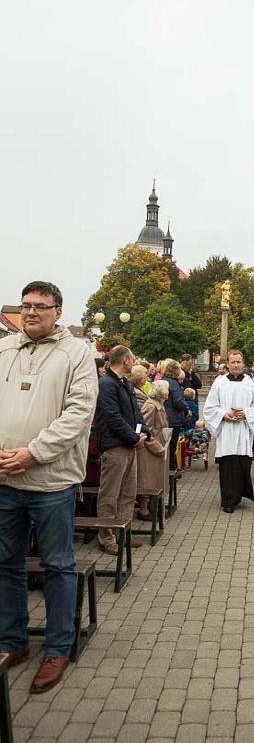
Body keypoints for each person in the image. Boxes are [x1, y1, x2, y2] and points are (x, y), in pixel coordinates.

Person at [0, 281, 98, 693]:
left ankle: (58, 646)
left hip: (51, 480)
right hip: (5, 477)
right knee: (6, 564)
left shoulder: (76, 353)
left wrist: (33, 453)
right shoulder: (5, 349)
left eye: (41, 306)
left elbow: (78, 414)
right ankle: (12, 641)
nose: (31, 312)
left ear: (58, 311)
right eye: (26, 306)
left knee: (58, 564)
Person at [95, 346, 150, 553]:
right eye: (133, 359)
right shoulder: (106, 384)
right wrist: (133, 437)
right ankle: (106, 537)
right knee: (110, 494)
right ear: (126, 360)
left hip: (129, 444)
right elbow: (112, 417)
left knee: (128, 493)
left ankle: (123, 532)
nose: (135, 362)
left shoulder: (124, 383)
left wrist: (143, 432)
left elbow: (135, 412)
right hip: (114, 445)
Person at [204, 350, 254, 513]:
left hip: (243, 431)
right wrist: (223, 415)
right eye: (233, 362)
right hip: (226, 431)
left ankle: (238, 496)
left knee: (241, 465)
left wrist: (246, 413)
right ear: (227, 363)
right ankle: (228, 501)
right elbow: (209, 407)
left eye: (238, 362)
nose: (236, 365)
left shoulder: (250, 383)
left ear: (243, 363)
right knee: (227, 466)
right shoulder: (219, 383)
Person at [137, 380, 169, 520]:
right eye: (167, 389)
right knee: (148, 480)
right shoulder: (151, 406)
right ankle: (144, 510)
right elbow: (146, 429)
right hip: (150, 450)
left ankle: (153, 507)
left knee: (155, 479)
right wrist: (157, 447)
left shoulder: (159, 404)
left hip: (159, 446)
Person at [162, 360, 190, 475]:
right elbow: (178, 401)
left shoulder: (163, 380)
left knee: (166, 446)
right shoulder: (173, 383)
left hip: (163, 417)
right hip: (173, 419)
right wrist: (187, 407)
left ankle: (166, 471)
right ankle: (171, 472)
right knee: (171, 447)